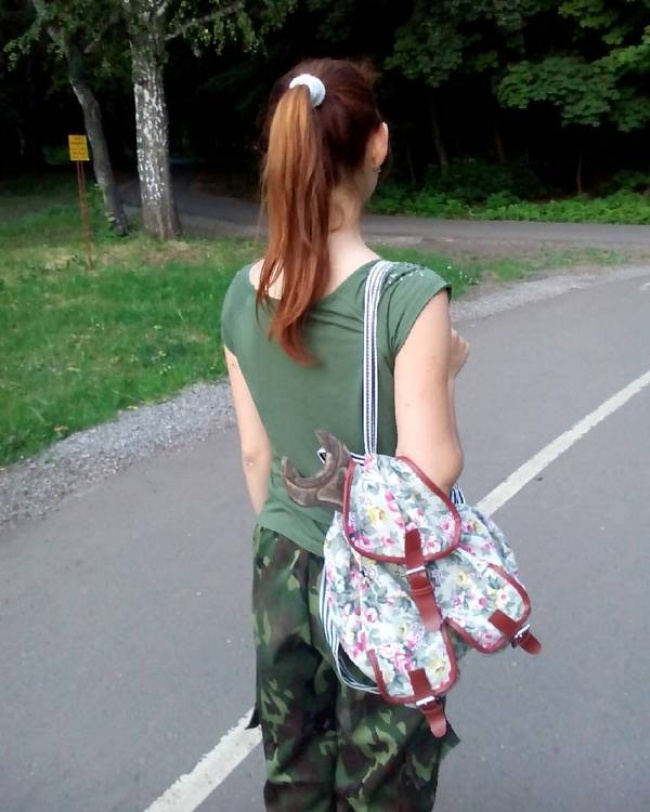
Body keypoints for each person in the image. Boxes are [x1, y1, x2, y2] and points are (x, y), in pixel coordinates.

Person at [221, 58, 469, 812]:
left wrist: (296, 546)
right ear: (378, 143)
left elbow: (257, 454)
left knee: (294, 766)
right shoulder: (407, 296)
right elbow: (432, 468)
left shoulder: (243, 292)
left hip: (283, 563)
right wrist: (446, 372)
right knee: (382, 782)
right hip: (379, 575)